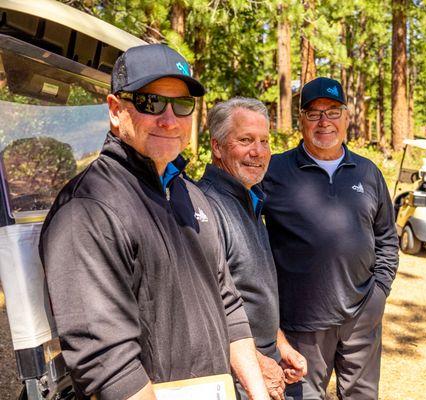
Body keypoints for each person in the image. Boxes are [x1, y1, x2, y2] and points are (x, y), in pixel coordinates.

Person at [39, 44, 269, 400]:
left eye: (182, 105)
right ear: (115, 110)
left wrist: (258, 393)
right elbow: (108, 364)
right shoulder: (88, 209)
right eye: (150, 102)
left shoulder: (189, 194)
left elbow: (228, 301)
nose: (169, 119)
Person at [261, 77, 399, 399]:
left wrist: (378, 293)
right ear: (301, 121)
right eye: (314, 113)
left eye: (333, 112)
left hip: (361, 319)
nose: (324, 121)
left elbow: (387, 238)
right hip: (299, 324)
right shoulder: (275, 171)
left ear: (347, 117)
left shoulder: (368, 173)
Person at [197, 98, 307, 400]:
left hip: (263, 367)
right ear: (217, 147)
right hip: (236, 377)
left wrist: (280, 344)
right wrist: (256, 366)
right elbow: (205, 311)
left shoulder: (249, 200)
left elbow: (252, 292)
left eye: (264, 141)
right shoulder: (204, 207)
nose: (258, 152)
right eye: (245, 140)